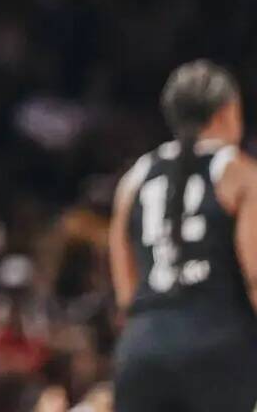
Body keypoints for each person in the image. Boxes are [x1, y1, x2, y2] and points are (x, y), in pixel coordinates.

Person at [109, 60, 257, 412]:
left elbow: (125, 290)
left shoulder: (134, 178)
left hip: (141, 350)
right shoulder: (238, 172)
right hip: (219, 344)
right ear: (228, 111)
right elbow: (255, 276)